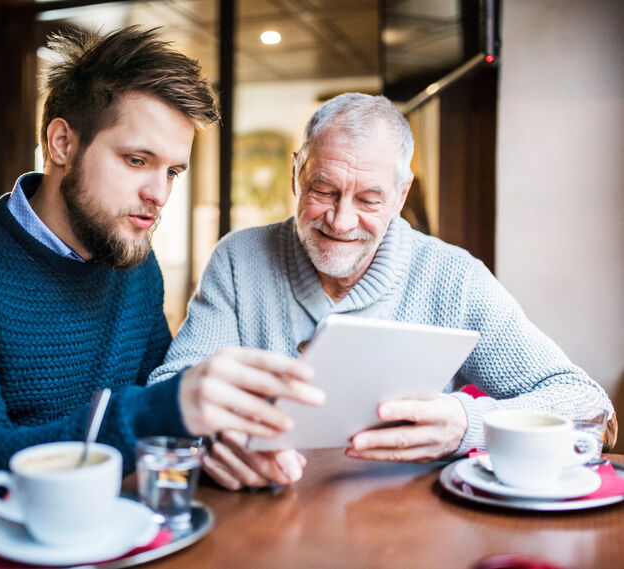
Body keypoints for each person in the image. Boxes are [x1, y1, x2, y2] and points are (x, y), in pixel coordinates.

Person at [0, 27, 323, 567]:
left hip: (79, 538)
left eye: (173, 171)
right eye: (137, 160)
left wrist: (221, 443)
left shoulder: (134, 263)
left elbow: (156, 416)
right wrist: (172, 408)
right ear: (62, 142)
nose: (159, 194)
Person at [149, 93, 614, 490]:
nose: (341, 220)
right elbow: (169, 389)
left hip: (407, 525)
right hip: (265, 513)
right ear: (296, 174)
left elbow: (589, 405)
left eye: (369, 200)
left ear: (401, 193)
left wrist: (466, 425)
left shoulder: (453, 277)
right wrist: (211, 438)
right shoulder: (238, 259)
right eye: (323, 190)